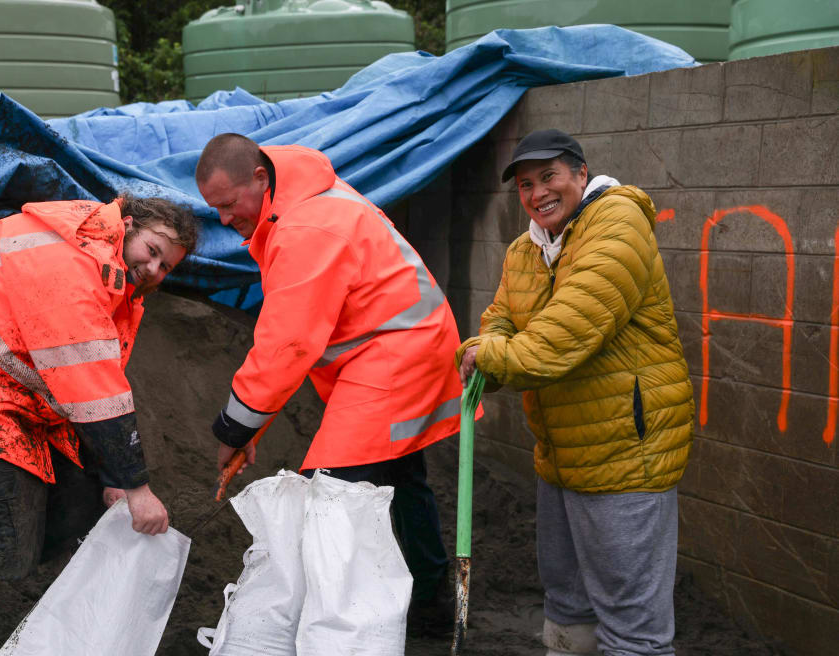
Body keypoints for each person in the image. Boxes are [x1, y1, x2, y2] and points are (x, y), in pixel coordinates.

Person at [0, 194, 199, 656]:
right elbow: (92, 388)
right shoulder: (68, 262)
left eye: (166, 267)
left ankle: (60, 635)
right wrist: (136, 488)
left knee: (80, 504)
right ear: (127, 226)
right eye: (152, 252)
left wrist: (110, 481)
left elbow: (86, 388)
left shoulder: (104, 271)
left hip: (14, 403)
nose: (154, 270)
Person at [195, 133, 473, 636]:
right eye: (214, 208)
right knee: (402, 478)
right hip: (407, 346)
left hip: (394, 357)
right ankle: (430, 606)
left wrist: (233, 429)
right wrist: (254, 428)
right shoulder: (303, 201)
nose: (223, 219)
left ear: (260, 178)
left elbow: (288, 345)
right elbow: (299, 341)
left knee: (331, 494)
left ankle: (339, 624)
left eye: (229, 204)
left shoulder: (305, 227)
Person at [457, 129, 694, 656]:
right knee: (568, 604)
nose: (538, 192)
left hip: (626, 457)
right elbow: (498, 321)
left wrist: (486, 356)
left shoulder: (617, 224)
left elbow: (559, 337)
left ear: (580, 174)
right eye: (525, 184)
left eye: (549, 177)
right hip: (560, 457)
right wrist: (484, 350)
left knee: (632, 625)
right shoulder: (526, 249)